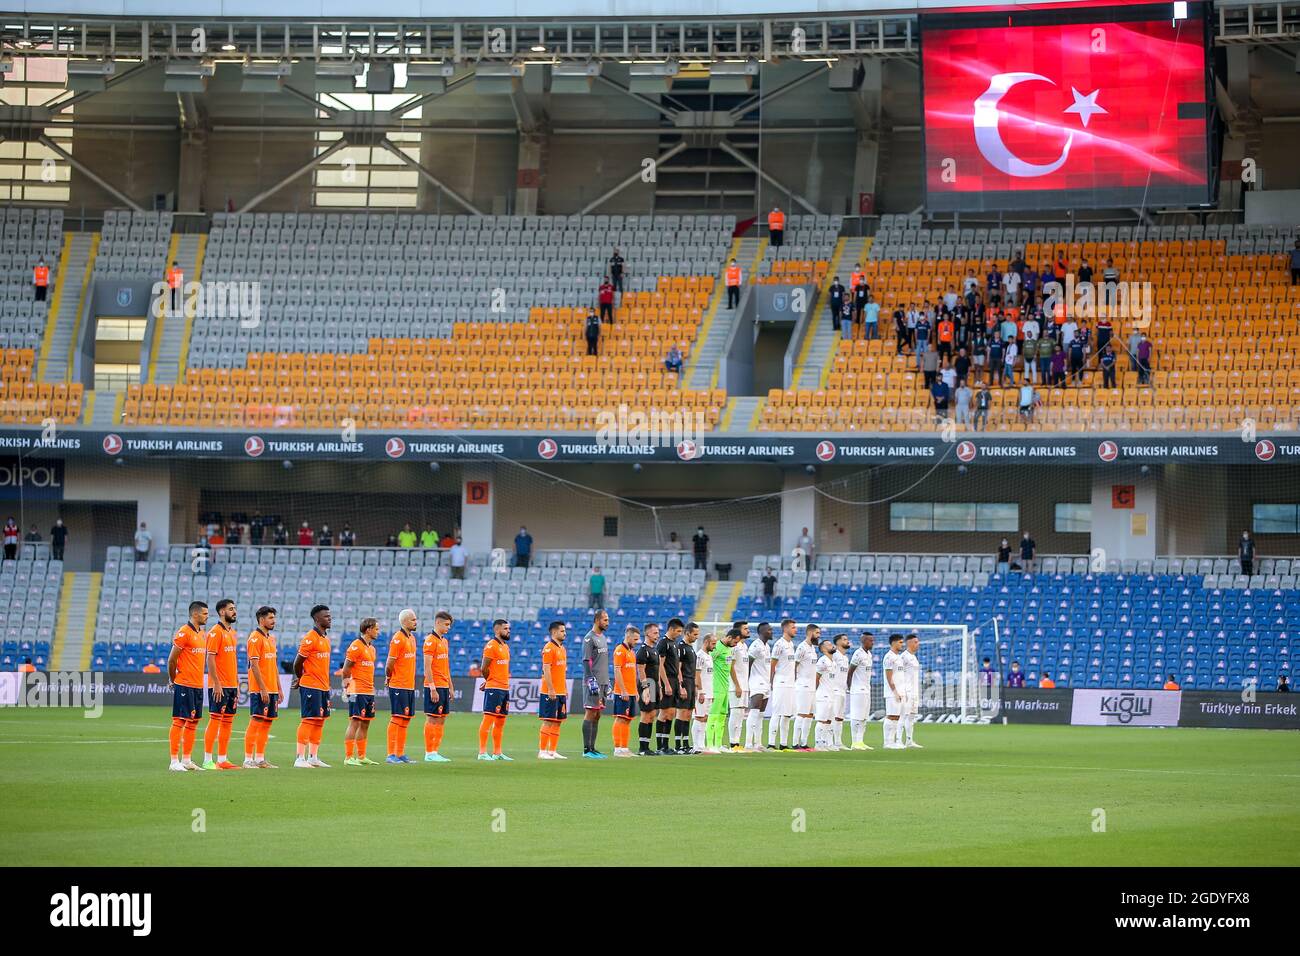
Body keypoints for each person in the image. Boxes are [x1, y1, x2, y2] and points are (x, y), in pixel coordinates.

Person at [167, 601, 209, 772]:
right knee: (180, 720)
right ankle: (174, 761)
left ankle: (187, 760)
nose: (207, 616)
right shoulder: (184, 632)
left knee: (193, 722)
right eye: (205, 613)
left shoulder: (202, 634)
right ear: (195, 614)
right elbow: (172, 660)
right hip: (184, 683)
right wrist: (174, 679)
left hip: (198, 684)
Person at [292, 604, 333, 769]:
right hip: (311, 685)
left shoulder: (325, 638)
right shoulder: (310, 637)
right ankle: (299, 758)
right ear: (317, 619)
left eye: (330, 616)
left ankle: (313, 757)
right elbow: (297, 662)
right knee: (308, 720)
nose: (330, 619)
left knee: (319, 721)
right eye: (326, 616)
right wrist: (301, 678)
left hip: (323, 686)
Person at [201, 598, 240, 770]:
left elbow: (231, 660)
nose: (234, 611)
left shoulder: (232, 633)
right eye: (231, 609)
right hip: (219, 685)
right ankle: (207, 759)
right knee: (215, 720)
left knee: (228, 722)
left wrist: (237, 683)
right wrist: (216, 683)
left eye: (234, 608)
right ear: (222, 612)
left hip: (231, 685)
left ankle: (222, 759)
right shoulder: (215, 632)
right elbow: (210, 658)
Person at [244, 605, 280, 769]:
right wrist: (263, 688)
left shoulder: (271, 638)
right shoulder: (255, 638)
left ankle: (260, 758)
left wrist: (278, 687)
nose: (274, 620)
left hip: (272, 688)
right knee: (256, 720)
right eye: (271, 618)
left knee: (267, 723)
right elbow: (254, 665)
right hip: (260, 688)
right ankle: (247, 759)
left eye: (274, 617)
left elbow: (274, 664)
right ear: (261, 619)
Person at [341, 618, 379, 767]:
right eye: (376, 628)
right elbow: (346, 669)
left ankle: (361, 756)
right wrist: (346, 687)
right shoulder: (356, 646)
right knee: (355, 722)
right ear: (368, 629)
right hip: (357, 690)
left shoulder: (372, 648)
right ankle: (348, 757)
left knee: (365, 723)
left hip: (369, 690)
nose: (378, 631)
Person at [383, 609, 418, 764]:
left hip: (409, 685)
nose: (416, 622)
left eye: (416, 619)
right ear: (404, 622)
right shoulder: (398, 638)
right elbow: (390, 663)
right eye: (413, 620)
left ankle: (400, 753)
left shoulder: (412, 638)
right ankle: (391, 754)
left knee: (405, 719)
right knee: (397, 717)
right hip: (399, 684)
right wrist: (389, 677)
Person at [477, 619, 513, 761]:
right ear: (497, 630)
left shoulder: (505, 646)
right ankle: (482, 752)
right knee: (488, 719)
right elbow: (484, 668)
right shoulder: (491, 646)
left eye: (509, 628)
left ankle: (497, 753)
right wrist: (489, 681)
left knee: (500, 721)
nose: (508, 631)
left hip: (504, 688)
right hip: (494, 688)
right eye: (505, 628)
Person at [422, 610, 454, 763]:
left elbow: (446, 666)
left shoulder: (444, 641)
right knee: (432, 718)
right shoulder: (430, 640)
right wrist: (432, 687)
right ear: (438, 623)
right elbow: (427, 667)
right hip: (433, 686)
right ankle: (429, 752)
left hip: (444, 685)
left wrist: (451, 686)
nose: (448, 628)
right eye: (446, 624)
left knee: (441, 719)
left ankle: (435, 751)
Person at [706, 628, 743, 753]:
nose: (736, 645)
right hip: (716, 688)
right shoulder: (717, 648)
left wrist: (736, 685)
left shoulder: (729, 649)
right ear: (729, 637)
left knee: (722, 717)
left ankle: (718, 744)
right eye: (735, 642)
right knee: (713, 716)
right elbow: (707, 662)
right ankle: (710, 745)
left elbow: (730, 668)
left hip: (725, 687)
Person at [581, 609, 611, 758]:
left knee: (598, 714)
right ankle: (587, 750)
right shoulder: (589, 638)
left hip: (603, 682)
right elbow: (586, 661)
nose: (607, 622)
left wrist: (608, 681)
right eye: (605, 620)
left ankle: (593, 748)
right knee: (590, 712)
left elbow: (602, 662)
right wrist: (590, 679)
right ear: (597, 620)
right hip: (593, 682)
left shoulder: (603, 637)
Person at [538, 621, 569, 760]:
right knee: (548, 720)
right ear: (554, 632)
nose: (565, 633)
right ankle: (542, 751)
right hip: (550, 691)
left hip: (561, 690)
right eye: (562, 631)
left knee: (557, 721)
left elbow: (562, 671)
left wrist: (565, 687)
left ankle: (552, 750)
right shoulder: (549, 648)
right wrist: (551, 688)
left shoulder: (562, 648)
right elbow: (546, 669)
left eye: (565, 631)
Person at [767, 618, 797, 749]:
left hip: (790, 684)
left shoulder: (791, 644)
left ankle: (783, 744)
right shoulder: (779, 644)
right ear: (785, 629)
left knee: (787, 714)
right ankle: (771, 744)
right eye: (793, 627)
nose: (795, 629)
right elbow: (772, 665)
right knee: (777, 713)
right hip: (781, 682)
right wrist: (770, 682)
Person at [611, 625, 641, 756]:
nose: (636, 642)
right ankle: (617, 748)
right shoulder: (620, 650)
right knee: (620, 718)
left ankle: (624, 747)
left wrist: (635, 691)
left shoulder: (632, 652)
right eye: (635, 639)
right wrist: (623, 690)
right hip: (622, 692)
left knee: (628, 719)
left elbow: (632, 674)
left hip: (632, 692)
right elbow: (617, 671)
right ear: (628, 636)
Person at [656, 617, 684, 755]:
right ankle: (659, 746)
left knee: (671, 713)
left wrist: (679, 683)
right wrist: (666, 684)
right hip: (666, 680)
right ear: (671, 629)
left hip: (674, 681)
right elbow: (660, 665)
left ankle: (666, 745)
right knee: (664, 713)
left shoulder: (674, 644)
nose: (680, 633)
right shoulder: (663, 643)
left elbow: (676, 666)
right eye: (678, 631)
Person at [635, 621, 662, 755]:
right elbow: (641, 671)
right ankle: (642, 748)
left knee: (652, 715)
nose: (658, 635)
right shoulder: (643, 651)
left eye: (658, 633)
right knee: (646, 715)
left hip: (655, 684)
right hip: (648, 684)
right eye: (655, 633)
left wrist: (660, 688)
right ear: (647, 633)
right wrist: (645, 689)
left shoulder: (654, 650)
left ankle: (647, 746)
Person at [793, 623, 821, 751]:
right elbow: (794, 665)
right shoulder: (802, 647)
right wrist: (794, 680)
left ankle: (804, 743)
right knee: (801, 714)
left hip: (811, 686)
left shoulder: (812, 648)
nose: (819, 636)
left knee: (810, 714)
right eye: (817, 633)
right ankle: (795, 743)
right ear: (810, 633)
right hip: (803, 685)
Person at [844, 631, 874, 750]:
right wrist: (850, 688)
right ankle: (854, 742)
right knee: (856, 716)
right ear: (864, 641)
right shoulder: (858, 654)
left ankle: (860, 741)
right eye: (870, 640)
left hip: (866, 689)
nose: (872, 642)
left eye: (873, 640)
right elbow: (850, 672)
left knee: (864, 717)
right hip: (857, 690)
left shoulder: (869, 654)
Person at [745, 622, 772, 751]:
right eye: (769, 630)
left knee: (761, 714)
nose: (771, 632)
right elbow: (748, 664)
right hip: (756, 682)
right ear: (762, 632)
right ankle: (748, 743)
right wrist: (747, 682)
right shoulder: (756, 646)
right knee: (754, 711)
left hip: (766, 683)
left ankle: (758, 743)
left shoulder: (767, 646)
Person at [726, 619, 751, 752]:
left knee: (741, 714)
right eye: (745, 629)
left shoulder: (744, 646)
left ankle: (737, 743)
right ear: (738, 631)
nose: (748, 631)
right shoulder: (734, 647)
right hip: (736, 686)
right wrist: (737, 685)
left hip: (744, 685)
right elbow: (731, 667)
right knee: (735, 713)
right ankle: (732, 743)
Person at [675, 619, 699, 754]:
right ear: (688, 633)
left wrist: (694, 686)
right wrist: (681, 685)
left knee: (688, 714)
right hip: (684, 682)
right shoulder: (681, 647)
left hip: (690, 682)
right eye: (695, 634)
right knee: (681, 713)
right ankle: (678, 745)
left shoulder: (690, 648)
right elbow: (678, 668)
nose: (696, 637)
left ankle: (686, 744)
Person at [812, 640, 839, 751]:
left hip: (831, 694)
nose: (832, 645)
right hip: (823, 695)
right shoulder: (822, 661)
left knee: (829, 720)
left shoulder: (834, 662)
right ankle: (818, 743)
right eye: (828, 644)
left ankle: (828, 743)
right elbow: (816, 678)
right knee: (822, 720)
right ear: (823, 649)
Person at [897, 633, 923, 748]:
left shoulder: (914, 657)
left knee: (911, 716)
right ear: (909, 643)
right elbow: (898, 674)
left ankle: (909, 740)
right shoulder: (904, 657)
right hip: (906, 691)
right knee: (903, 715)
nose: (918, 644)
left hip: (914, 691)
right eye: (916, 642)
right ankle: (898, 740)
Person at [689, 627, 713, 752]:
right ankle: (696, 745)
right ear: (706, 642)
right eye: (713, 643)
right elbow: (697, 675)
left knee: (705, 718)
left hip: (709, 692)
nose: (714, 646)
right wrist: (700, 691)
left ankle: (701, 744)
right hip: (702, 693)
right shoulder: (699, 656)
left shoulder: (709, 656)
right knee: (698, 717)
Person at [881, 633, 906, 751]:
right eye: (900, 642)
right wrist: (895, 691)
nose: (902, 644)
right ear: (894, 642)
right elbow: (889, 676)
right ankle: (887, 742)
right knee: (891, 716)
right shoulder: (889, 657)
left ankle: (892, 741)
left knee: (896, 717)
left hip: (900, 691)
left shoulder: (899, 657)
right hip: (892, 692)